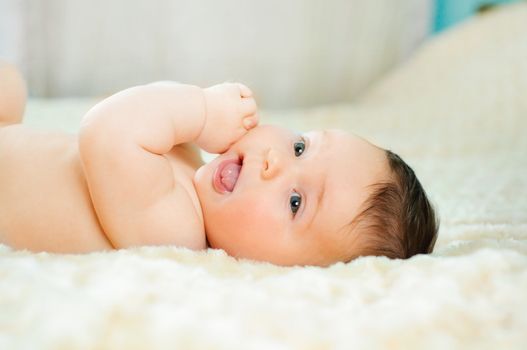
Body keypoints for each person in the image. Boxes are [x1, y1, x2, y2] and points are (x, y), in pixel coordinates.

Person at [0, 61, 438, 266]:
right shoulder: (190, 170)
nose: (273, 164)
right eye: (300, 148)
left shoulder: (173, 231)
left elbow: (105, 130)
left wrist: (203, 110)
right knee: (10, 85)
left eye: (295, 203)